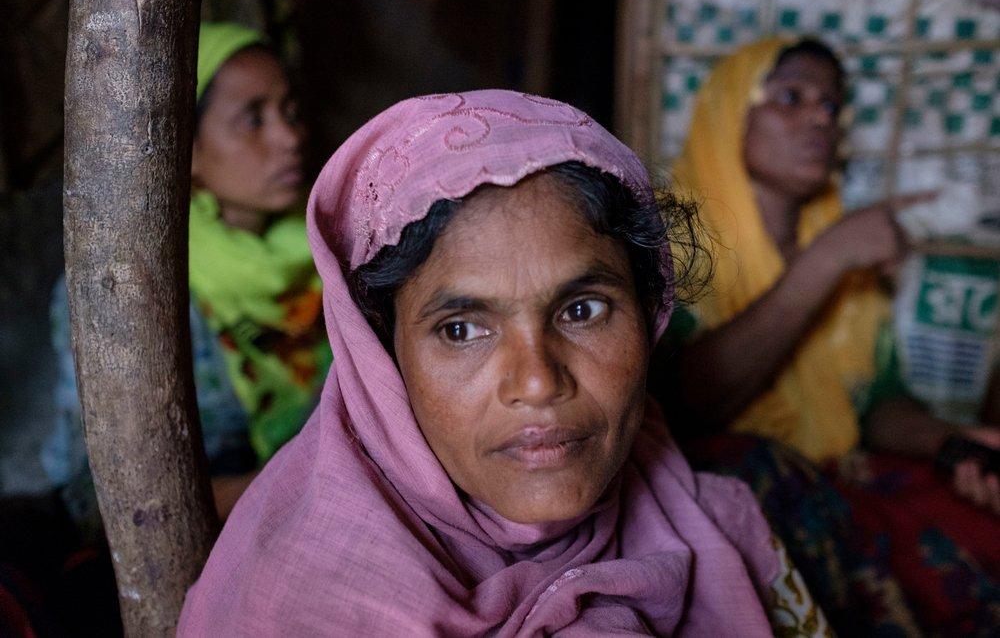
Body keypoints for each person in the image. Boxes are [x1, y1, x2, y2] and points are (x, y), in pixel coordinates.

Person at [178, 90, 832, 636]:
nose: (538, 380)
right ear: (381, 351)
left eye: (583, 311)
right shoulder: (291, 602)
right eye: (462, 329)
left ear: (649, 306)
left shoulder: (723, 530)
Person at [661, 37, 1000, 634]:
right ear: (729, 109)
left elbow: (877, 402)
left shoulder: (844, 240)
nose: (821, 117)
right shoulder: (669, 235)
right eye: (791, 96)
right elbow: (688, 406)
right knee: (753, 471)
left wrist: (953, 445)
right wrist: (823, 263)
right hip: (739, 479)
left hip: (831, 474)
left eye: (832, 104)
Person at [42, 22, 331, 539]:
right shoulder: (128, 288)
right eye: (252, 120)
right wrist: (293, 484)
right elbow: (92, 494)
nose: (290, 138)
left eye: (288, 112)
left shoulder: (327, 248)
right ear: (188, 149)